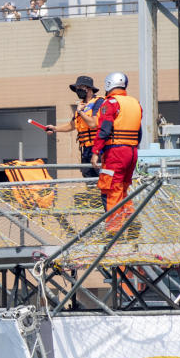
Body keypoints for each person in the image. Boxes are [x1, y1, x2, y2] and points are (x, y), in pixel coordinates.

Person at [91, 72, 143, 237]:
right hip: (132, 151)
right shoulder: (135, 103)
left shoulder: (111, 103)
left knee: (111, 190)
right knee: (123, 189)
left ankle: (113, 231)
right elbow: (139, 131)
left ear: (108, 85)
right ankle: (131, 221)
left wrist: (95, 152)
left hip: (115, 152)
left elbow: (104, 129)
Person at [45, 75, 104, 180]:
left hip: (98, 148)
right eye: (77, 88)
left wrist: (81, 112)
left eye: (80, 87)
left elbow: (93, 124)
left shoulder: (98, 102)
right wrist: (54, 128)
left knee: (101, 177)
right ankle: (92, 196)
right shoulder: (81, 105)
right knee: (88, 178)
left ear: (89, 89)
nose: (78, 90)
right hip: (85, 149)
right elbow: (72, 125)